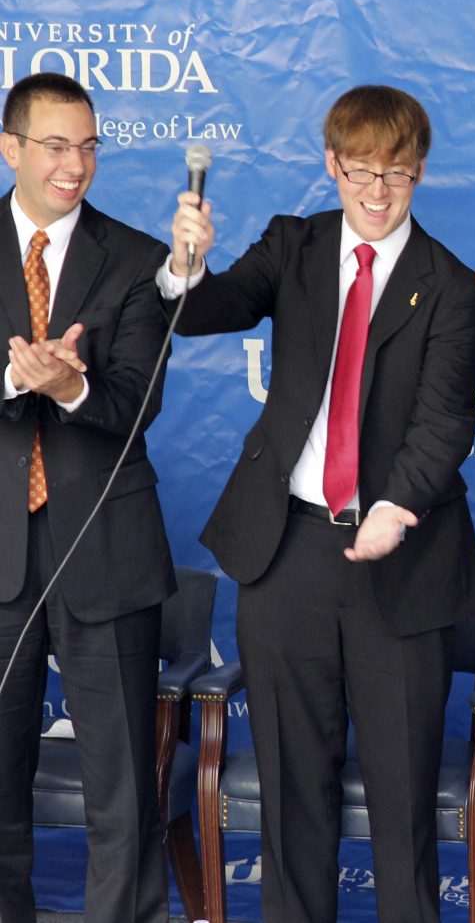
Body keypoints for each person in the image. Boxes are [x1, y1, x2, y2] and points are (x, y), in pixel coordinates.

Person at [159, 84, 475, 923]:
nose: (376, 194)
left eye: (396, 175)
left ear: (420, 172)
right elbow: (208, 311)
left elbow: (447, 418)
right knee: (292, 793)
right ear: (331, 165)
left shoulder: (451, 285)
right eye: (359, 173)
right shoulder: (294, 244)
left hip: (401, 561)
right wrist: (183, 266)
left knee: (402, 798)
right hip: (286, 551)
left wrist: (398, 506)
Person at [0, 73, 176, 922]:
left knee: (123, 792)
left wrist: (71, 386)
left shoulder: (140, 260)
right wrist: (12, 374)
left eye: (89, 146)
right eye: (56, 146)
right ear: (12, 149)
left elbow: (138, 399)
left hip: (104, 549)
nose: (75, 165)